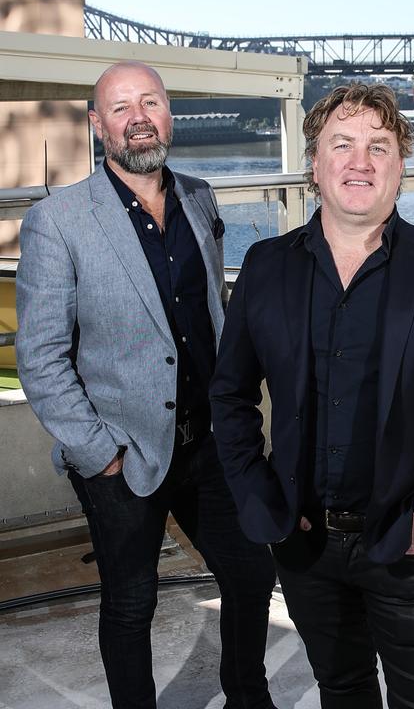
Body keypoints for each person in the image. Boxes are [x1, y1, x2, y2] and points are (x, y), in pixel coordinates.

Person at [210, 82, 414, 709]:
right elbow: (230, 395)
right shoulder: (265, 266)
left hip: (408, 540)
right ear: (315, 163)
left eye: (379, 147)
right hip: (304, 542)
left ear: (400, 167)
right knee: (341, 691)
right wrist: (259, 495)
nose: (360, 161)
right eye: (341, 145)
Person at [15, 61, 278, 709]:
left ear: (168, 114)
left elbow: (211, 312)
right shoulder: (60, 221)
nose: (139, 117)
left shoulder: (199, 196)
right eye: (122, 106)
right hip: (122, 448)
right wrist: (97, 451)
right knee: (132, 603)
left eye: (151, 102)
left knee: (251, 574)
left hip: (210, 440)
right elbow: (40, 356)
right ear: (97, 124)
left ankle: (249, 697)